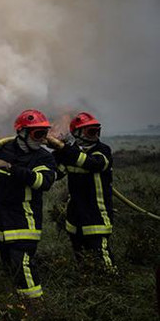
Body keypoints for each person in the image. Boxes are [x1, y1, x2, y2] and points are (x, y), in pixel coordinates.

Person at [0, 110, 57, 299]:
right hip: (1, 222)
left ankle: (34, 308)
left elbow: (44, 182)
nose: (43, 139)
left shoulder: (44, 157)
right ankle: (13, 303)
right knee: (9, 264)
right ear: (22, 132)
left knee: (22, 264)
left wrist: (10, 167)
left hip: (24, 221)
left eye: (44, 133)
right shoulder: (4, 149)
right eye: (37, 134)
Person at [46, 112, 116, 272]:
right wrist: (56, 153)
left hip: (97, 214)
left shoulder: (102, 150)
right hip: (75, 216)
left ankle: (112, 284)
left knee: (102, 256)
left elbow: (93, 164)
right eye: (90, 131)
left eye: (97, 130)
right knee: (81, 258)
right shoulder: (70, 153)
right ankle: (86, 285)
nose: (95, 134)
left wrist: (63, 148)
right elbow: (56, 174)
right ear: (77, 134)